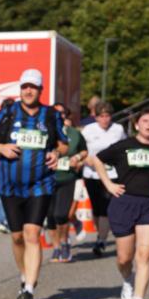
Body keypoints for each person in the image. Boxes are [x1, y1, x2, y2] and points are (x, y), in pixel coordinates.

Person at [0, 68, 67, 299]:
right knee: (17, 237)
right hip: (10, 185)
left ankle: (29, 288)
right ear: (20, 89)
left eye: (33, 87)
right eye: (24, 86)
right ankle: (24, 275)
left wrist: (57, 153)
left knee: (32, 234)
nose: (28, 90)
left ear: (40, 90)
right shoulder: (8, 112)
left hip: (40, 185)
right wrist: (2, 148)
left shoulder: (51, 116)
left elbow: (63, 143)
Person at [86, 108, 149, 299]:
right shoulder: (124, 146)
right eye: (145, 120)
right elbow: (97, 160)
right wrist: (108, 184)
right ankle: (128, 279)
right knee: (124, 257)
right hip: (125, 202)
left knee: (144, 255)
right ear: (137, 124)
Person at [80, 102, 127, 257]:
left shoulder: (118, 129)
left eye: (108, 116)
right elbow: (82, 150)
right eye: (102, 116)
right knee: (96, 208)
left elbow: (124, 148)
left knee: (106, 208)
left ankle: (101, 240)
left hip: (111, 174)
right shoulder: (88, 130)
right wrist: (86, 159)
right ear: (96, 117)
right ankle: (100, 233)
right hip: (92, 174)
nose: (105, 119)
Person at [47, 103, 87, 262]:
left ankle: (64, 243)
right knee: (50, 216)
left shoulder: (73, 134)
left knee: (61, 214)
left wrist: (77, 158)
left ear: (65, 115)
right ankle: (56, 247)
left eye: (62, 113)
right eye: (55, 113)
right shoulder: (45, 132)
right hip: (47, 179)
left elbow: (84, 150)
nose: (59, 115)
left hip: (67, 178)